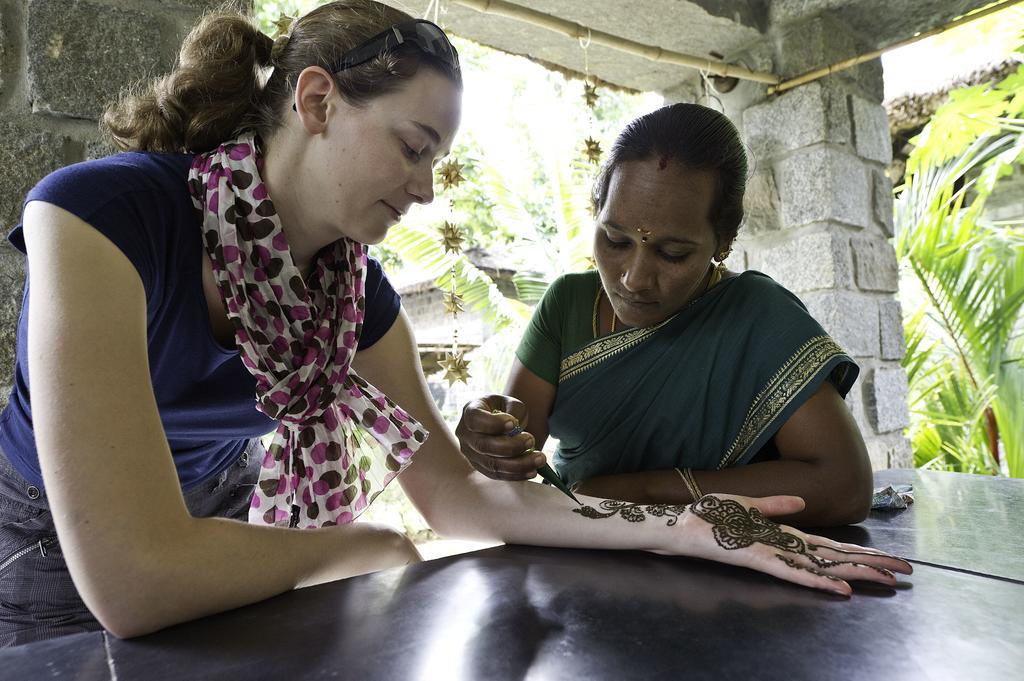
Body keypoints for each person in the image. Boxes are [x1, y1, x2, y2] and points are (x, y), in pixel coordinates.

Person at [0, 1, 908, 648]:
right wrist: (369, 544)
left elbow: (466, 496)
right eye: (413, 146)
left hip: (222, 523)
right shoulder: (98, 216)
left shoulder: (354, 294)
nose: (428, 188)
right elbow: (133, 575)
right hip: (45, 534)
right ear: (317, 102)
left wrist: (683, 527)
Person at [456, 103, 874, 527]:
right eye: (616, 240)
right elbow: (510, 462)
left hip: (730, 577)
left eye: (672, 253)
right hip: (578, 553)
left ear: (723, 241)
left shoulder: (758, 318)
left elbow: (845, 488)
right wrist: (487, 437)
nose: (634, 279)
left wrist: (648, 491)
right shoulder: (568, 305)